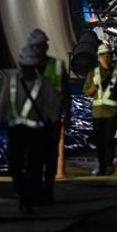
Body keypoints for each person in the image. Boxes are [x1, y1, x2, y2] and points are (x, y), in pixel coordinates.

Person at [0, 46, 60, 214]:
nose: (28, 69)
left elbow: (52, 108)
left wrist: (54, 127)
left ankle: (27, 199)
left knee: (33, 166)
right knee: (15, 166)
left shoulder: (44, 84)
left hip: (35, 132)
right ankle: (25, 195)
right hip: (17, 130)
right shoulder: (11, 82)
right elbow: (2, 105)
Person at [27, 28, 70, 204]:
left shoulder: (57, 67)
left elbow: (66, 92)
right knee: (34, 159)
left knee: (51, 158)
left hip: (52, 120)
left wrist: (68, 114)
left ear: (45, 46)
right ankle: (37, 192)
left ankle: (48, 191)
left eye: (40, 45)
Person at [83, 44, 117, 176]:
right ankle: (102, 166)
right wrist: (93, 88)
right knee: (100, 142)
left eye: (108, 55)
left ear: (111, 57)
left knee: (109, 140)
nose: (106, 58)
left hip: (111, 113)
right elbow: (86, 91)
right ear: (99, 57)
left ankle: (108, 165)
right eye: (103, 55)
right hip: (97, 114)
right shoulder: (93, 73)